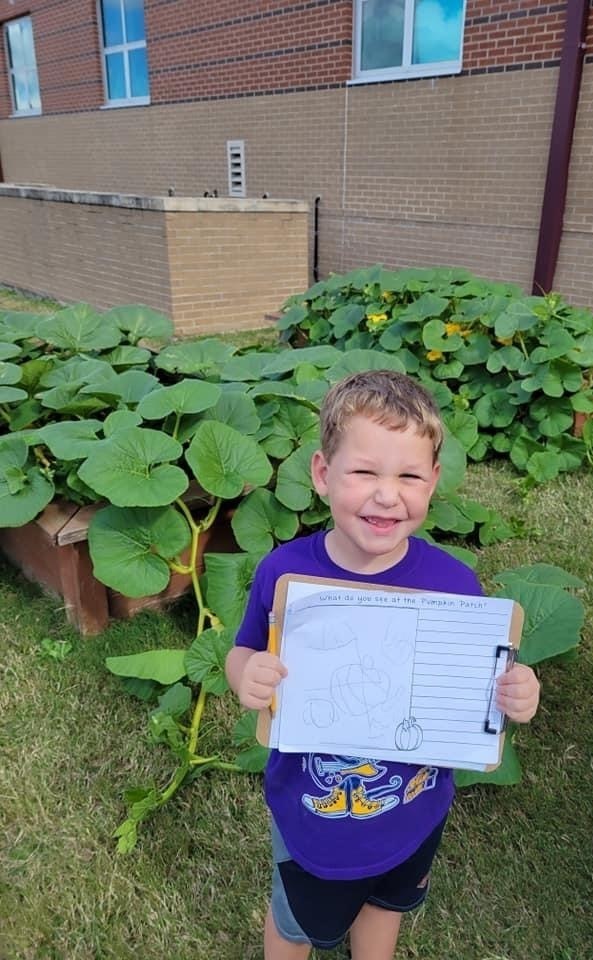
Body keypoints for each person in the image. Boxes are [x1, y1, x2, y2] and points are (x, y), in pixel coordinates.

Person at [226, 369, 540, 960]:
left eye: (409, 476)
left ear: (433, 483)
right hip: (313, 819)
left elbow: (483, 682)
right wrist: (246, 673)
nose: (387, 494)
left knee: (389, 902)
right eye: (364, 471)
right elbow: (242, 650)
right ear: (323, 474)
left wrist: (516, 691)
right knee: (296, 923)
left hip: (414, 810)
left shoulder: (455, 584)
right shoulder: (284, 575)